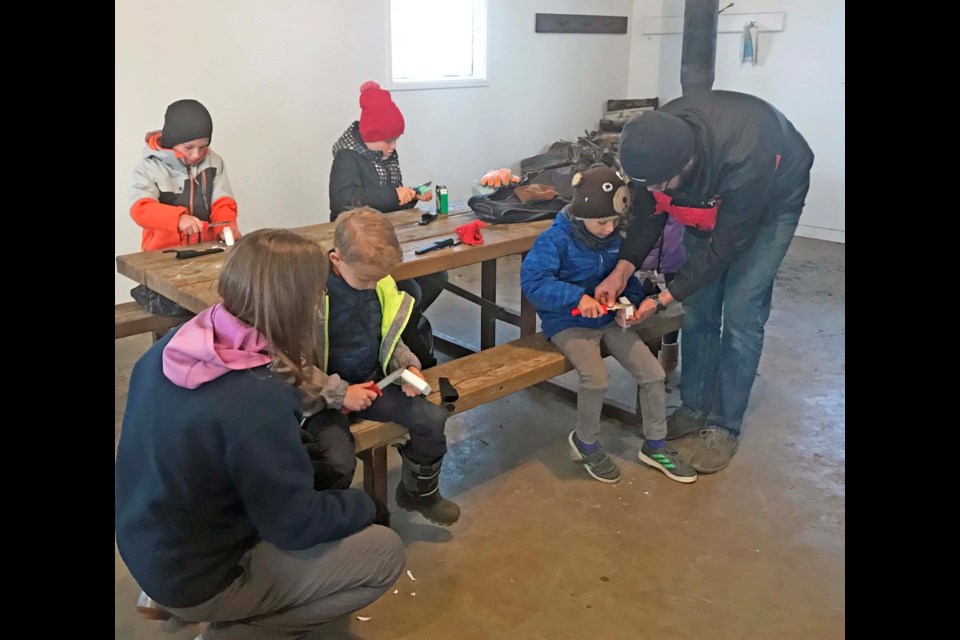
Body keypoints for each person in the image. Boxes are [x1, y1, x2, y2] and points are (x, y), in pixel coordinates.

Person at [115, 229, 405, 639]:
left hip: (145, 536)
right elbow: (294, 525)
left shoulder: (179, 344)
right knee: (383, 551)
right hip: (197, 571)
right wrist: (363, 507)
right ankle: (226, 630)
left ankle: (176, 602)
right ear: (297, 304)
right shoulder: (255, 397)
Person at [596, 90, 815, 474]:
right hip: (712, 190)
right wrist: (622, 270)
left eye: (664, 183)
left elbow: (725, 248)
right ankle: (695, 408)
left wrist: (661, 299)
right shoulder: (653, 150)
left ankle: (724, 426)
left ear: (690, 162)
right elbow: (648, 219)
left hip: (774, 195)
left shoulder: (745, 158)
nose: (658, 191)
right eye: (651, 186)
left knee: (742, 312)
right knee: (698, 307)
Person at [520, 165, 697, 485]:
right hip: (568, 321)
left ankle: (655, 444)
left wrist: (627, 304)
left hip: (609, 318)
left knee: (653, 373)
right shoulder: (555, 239)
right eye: (602, 222)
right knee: (596, 378)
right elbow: (534, 283)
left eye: (615, 221)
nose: (608, 228)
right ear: (581, 213)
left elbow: (625, 277)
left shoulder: (615, 238)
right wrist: (577, 298)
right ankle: (586, 443)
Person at [302, 207, 460, 526]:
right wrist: (339, 394)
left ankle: (419, 492)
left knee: (430, 419)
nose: (372, 284)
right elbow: (292, 363)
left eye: (379, 278)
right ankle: (325, 521)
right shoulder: (310, 296)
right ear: (336, 260)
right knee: (336, 461)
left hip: (374, 384)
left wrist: (406, 365)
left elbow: (388, 334)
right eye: (365, 278)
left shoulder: (379, 283)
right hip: (322, 400)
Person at [329, 80, 445, 368]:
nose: (393, 147)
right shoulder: (347, 157)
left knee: (436, 277)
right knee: (411, 292)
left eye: (395, 140)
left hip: (387, 235)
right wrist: (393, 195)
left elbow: (389, 198)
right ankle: (411, 348)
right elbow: (345, 200)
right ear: (370, 135)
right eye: (388, 140)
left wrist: (411, 196)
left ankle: (399, 327)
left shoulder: (386, 155)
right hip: (359, 241)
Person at [128, 98, 241, 317]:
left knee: (217, 305)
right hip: (163, 258)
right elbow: (140, 208)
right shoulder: (149, 167)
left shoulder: (214, 163)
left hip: (207, 254)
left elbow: (222, 201)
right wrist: (177, 219)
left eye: (203, 146)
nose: (197, 154)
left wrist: (227, 226)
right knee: (175, 318)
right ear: (172, 141)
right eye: (189, 147)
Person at [637, 216, 686, 378]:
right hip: (646, 250)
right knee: (643, 311)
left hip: (676, 250)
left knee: (674, 310)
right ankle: (647, 362)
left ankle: (668, 356)